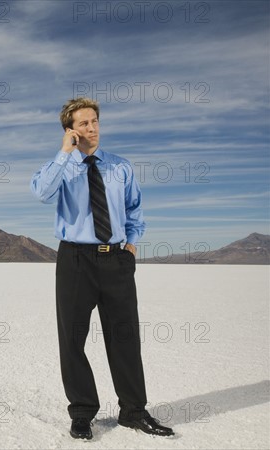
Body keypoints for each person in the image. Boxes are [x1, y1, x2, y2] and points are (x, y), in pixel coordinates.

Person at [30, 97, 174, 440]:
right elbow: (41, 192)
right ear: (70, 130)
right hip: (75, 261)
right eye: (83, 123)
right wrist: (65, 152)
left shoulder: (120, 166)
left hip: (116, 260)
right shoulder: (62, 167)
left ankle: (133, 412)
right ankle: (82, 413)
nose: (92, 128)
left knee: (125, 337)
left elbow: (135, 209)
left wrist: (132, 247)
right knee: (73, 339)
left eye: (94, 121)